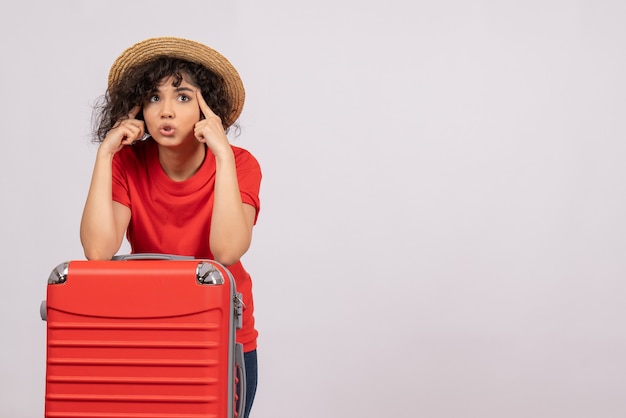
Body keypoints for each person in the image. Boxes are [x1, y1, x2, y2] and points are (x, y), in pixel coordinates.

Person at [80, 37, 260, 417]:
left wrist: (223, 155)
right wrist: (106, 154)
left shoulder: (240, 164)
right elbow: (98, 251)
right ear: (139, 108)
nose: (165, 112)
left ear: (206, 108)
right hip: (146, 331)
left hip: (222, 337)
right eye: (153, 98)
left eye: (182, 97)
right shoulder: (128, 163)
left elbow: (227, 252)